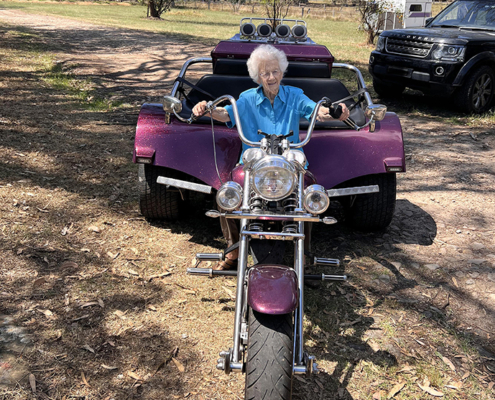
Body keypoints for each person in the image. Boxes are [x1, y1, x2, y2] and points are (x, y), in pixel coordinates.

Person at [192, 44, 350, 270]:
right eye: (265, 72)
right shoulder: (246, 98)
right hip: (254, 162)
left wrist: (336, 111)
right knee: (229, 193)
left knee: (307, 192)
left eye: (275, 71)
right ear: (258, 76)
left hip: (290, 161)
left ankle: (303, 255)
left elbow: (317, 111)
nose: (271, 76)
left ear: (282, 72)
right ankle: (234, 252)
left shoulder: (295, 95)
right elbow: (226, 113)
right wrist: (207, 109)